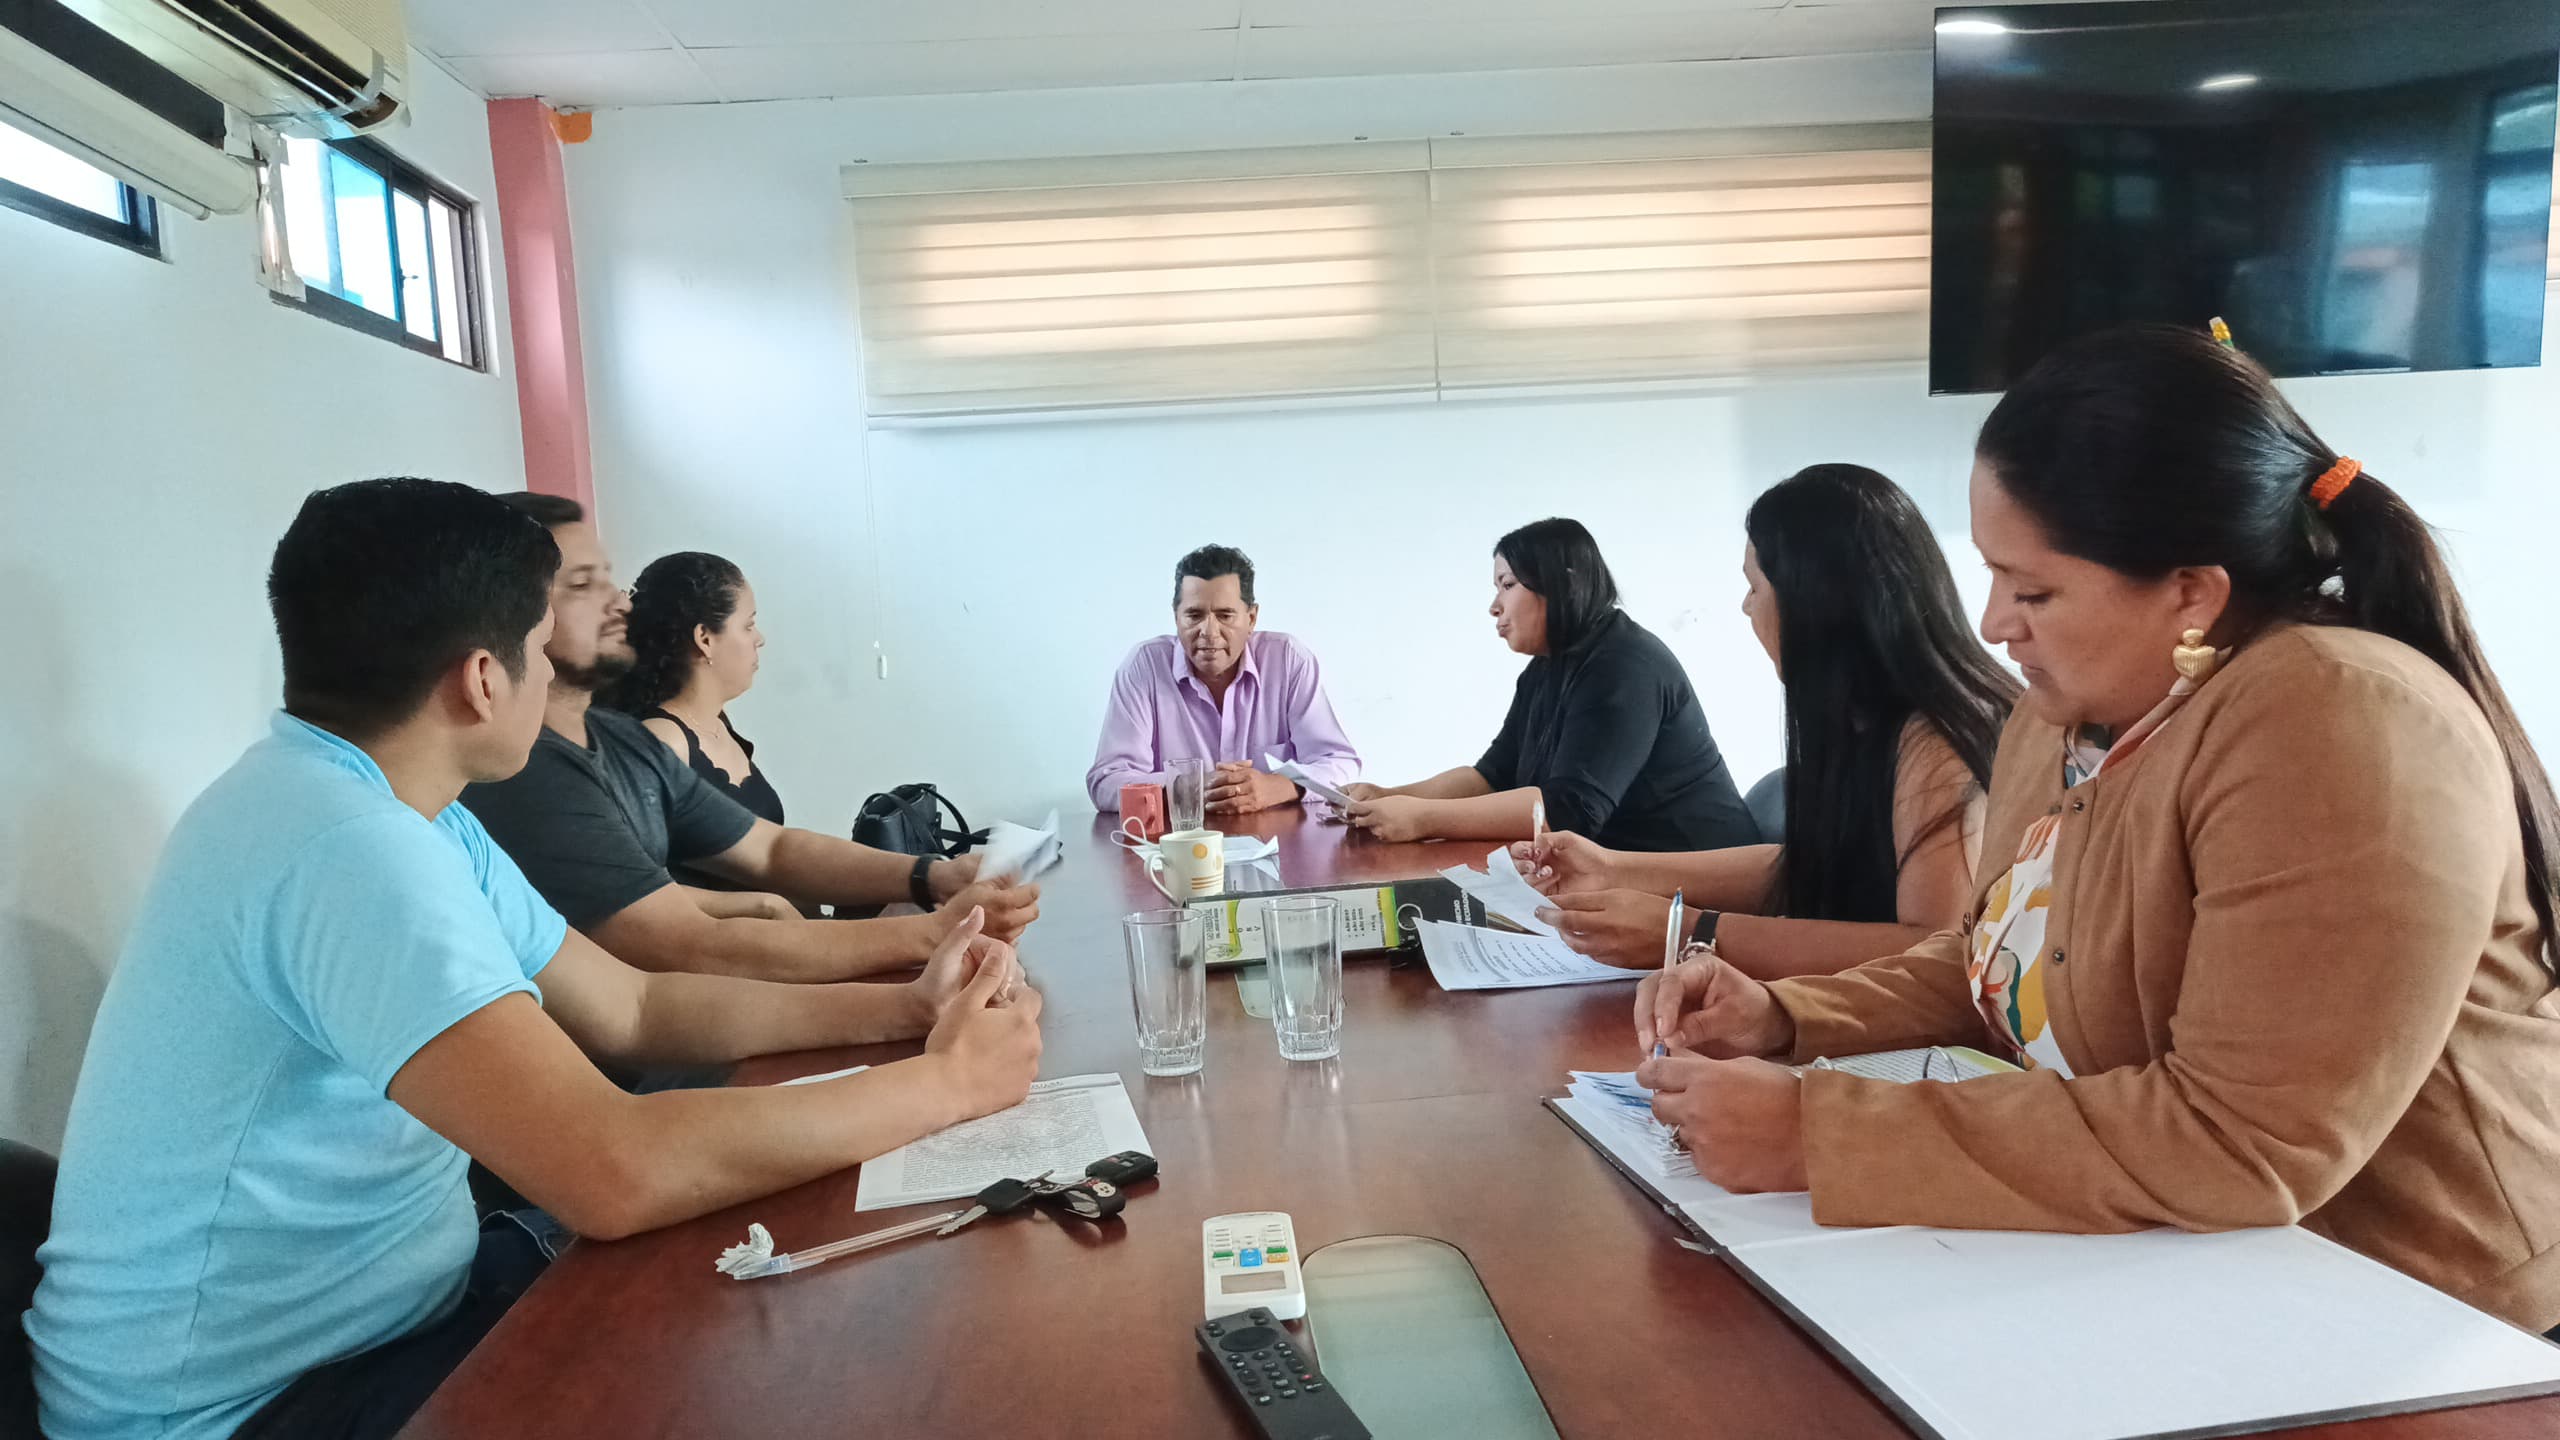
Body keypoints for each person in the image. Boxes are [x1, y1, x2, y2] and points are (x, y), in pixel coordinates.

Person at [26, 479, 1044, 1440]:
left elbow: (635, 1008)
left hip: (405, 1312)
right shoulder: (347, 847)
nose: (552, 671)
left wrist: (908, 1011)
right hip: (250, 1406)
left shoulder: (405, 812)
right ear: (483, 680)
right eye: (533, 645)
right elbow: (614, 1169)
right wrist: (945, 1086)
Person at [1635, 326, 2560, 1335]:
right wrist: (1785, 1017)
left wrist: (1820, 1133)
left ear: (2190, 592)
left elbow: (2241, 1140)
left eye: (2033, 590)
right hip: (2193, 1273)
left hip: (2431, 1317)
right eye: (1992, 575)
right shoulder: (2065, 715)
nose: (1994, 623)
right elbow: (1997, 960)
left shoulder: (2338, 721)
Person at [462, 494, 1037, 982]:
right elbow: (683, 951)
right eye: (583, 584)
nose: (619, 602)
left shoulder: (621, 740)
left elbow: (771, 849)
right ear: (515, 614)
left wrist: (934, 875)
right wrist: (935, 933)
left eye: (609, 579)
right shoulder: (525, 771)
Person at [1521, 467, 2018, 978]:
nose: (1746, 606)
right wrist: (1609, 868)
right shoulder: (1862, 719)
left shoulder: (1935, 739)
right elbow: (1807, 864)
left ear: (1814, 603)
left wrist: (1691, 932)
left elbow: (1934, 951)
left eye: (1754, 586)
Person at [1342, 518, 1756, 850]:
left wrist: (1422, 818)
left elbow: (1570, 811)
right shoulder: (1545, 668)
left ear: (1563, 582)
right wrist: (1389, 796)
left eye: (1508, 585)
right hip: (1627, 880)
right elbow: (1492, 776)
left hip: (1696, 881)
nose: (1494, 607)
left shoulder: (1623, 665)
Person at [1087, 544, 1361, 817]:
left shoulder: (1288, 660)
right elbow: (1107, 782)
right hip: (1179, 840)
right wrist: (1193, 786)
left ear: (1251, 618)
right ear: (1176, 617)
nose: (1209, 631)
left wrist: (1278, 786)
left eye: (1225, 615)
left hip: (1276, 838)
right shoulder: (1144, 666)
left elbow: (1340, 763)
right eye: (1194, 615)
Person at [597, 551, 786, 894]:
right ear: (705, 639)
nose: (759, 638)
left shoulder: (717, 723)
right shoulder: (664, 740)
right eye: (747, 625)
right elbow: (640, 885)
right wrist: (767, 907)